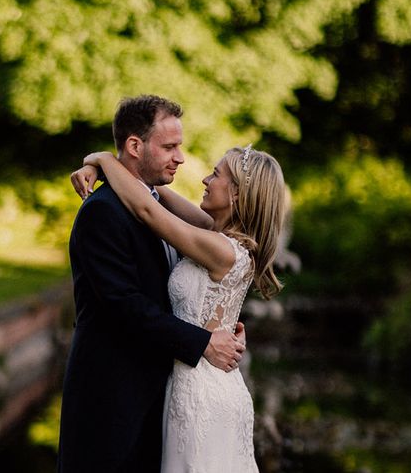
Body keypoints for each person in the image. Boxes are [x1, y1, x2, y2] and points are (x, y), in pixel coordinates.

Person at [57, 95, 247, 473]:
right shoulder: (102, 212)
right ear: (134, 146)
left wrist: (221, 326)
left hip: (163, 399)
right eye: (169, 147)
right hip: (112, 403)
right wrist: (205, 342)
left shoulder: (161, 209)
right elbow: (124, 306)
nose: (180, 157)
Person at [75, 141, 287, 472]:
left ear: (235, 194)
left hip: (200, 395)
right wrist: (107, 167)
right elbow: (153, 193)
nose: (205, 179)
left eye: (216, 174)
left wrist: (101, 157)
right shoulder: (214, 234)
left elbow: (147, 210)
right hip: (196, 381)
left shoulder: (220, 249)